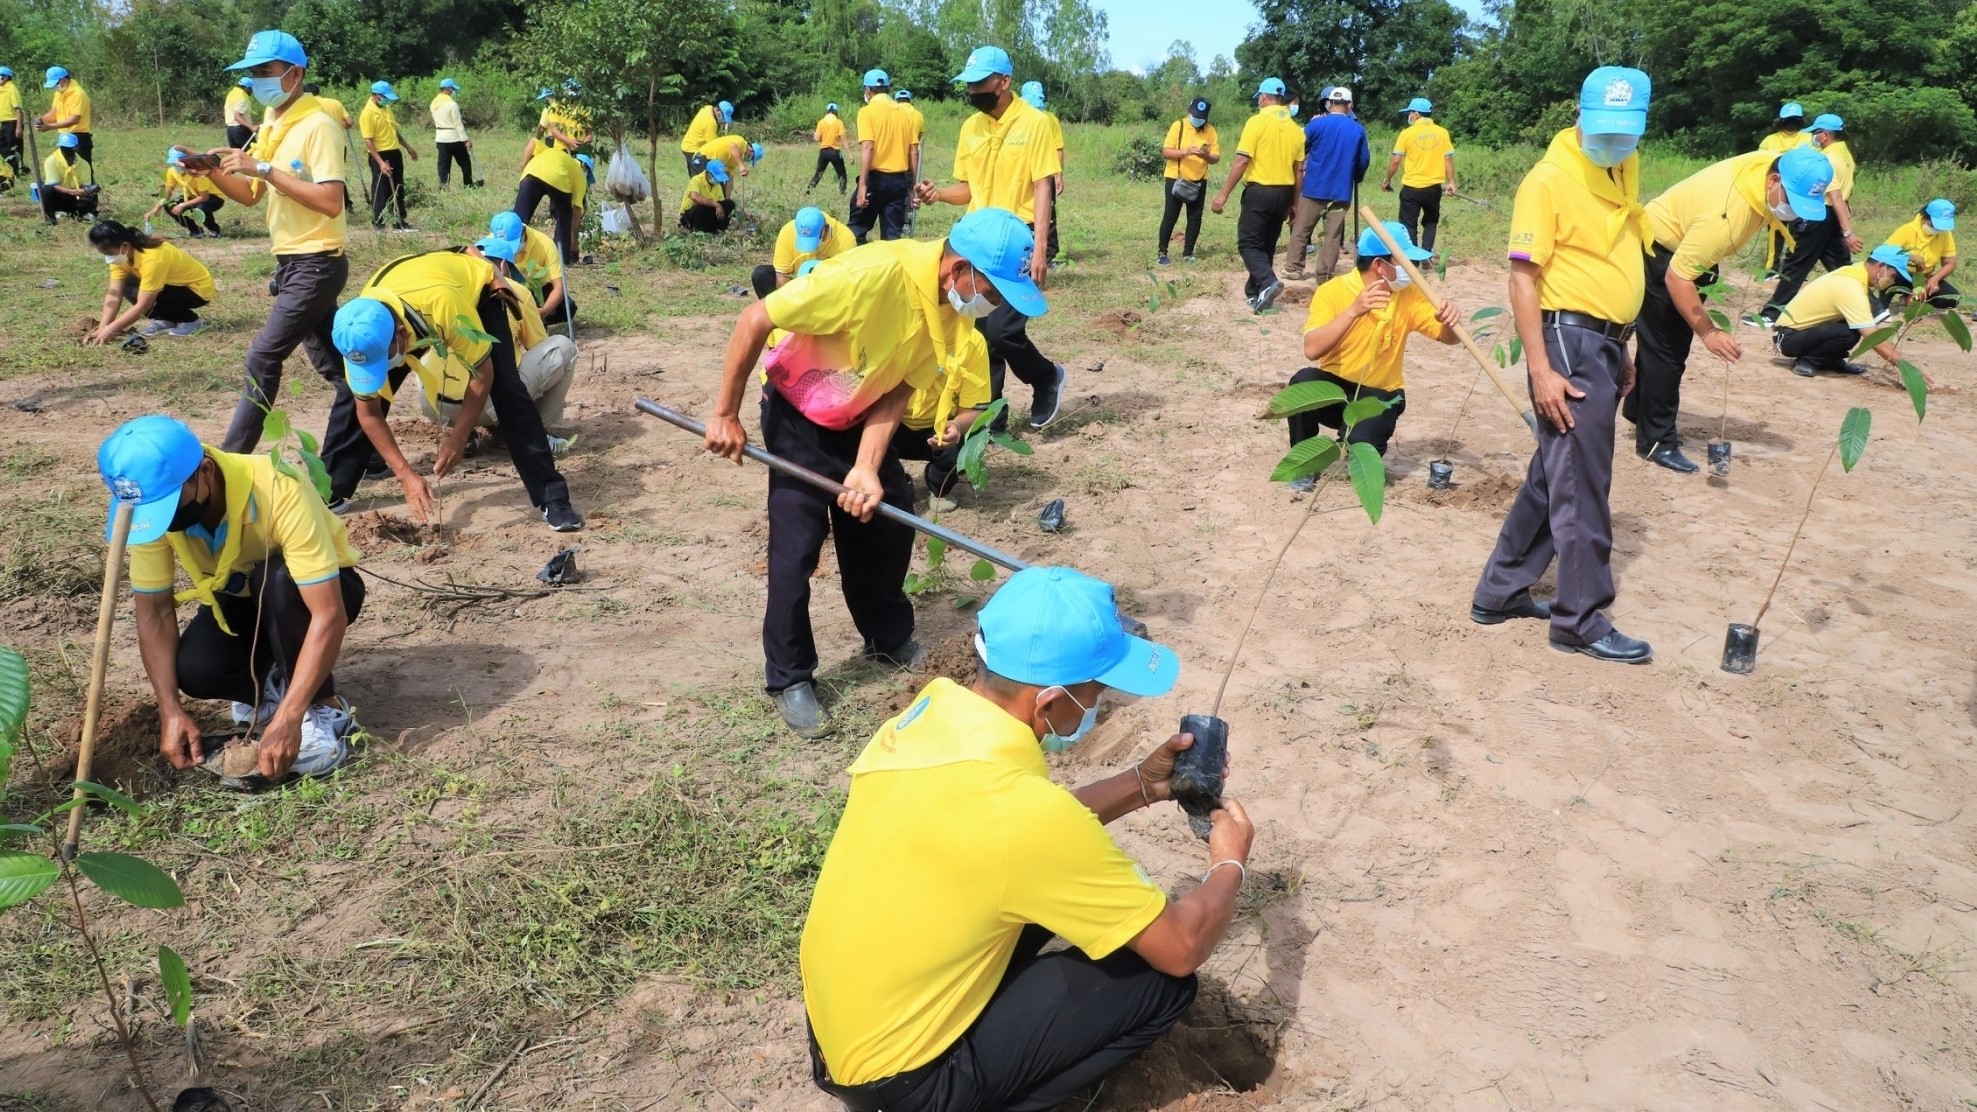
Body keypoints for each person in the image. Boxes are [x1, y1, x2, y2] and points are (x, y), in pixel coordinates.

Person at [801, 565, 1253, 1112]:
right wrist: (1229, 861)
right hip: (906, 1088)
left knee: (1038, 892)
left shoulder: (925, 720)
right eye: (1097, 690)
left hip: (842, 1032)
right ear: (1048, 703)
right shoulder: (1023, 815)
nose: (1101, 702)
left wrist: (1141, 784)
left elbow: (1012, 839)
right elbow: (1182, 948)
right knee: (1160, 986)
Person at [702, 206, 1045, 738]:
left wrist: (865, 467)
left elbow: (899, 388)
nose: (992, 304)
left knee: (886, 517)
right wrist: (725, 413)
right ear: (959, 268)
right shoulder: (868, 276)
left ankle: (887, 636)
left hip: (859, 413)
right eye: (993, 291)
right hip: (798, 411)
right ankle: (790, 676)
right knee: (797, 544)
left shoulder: (950, 311)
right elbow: (755, 320)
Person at [1474, 67, 1657, 665]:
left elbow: (1607, 262)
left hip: (1601, 342)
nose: (1613, 140)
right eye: (1602, 128)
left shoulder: (1619, 167)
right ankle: (1580, 618)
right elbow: (1523, 278)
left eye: (1625, 132)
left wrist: (1621, 342)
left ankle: (1501, 589)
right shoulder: (1548, 179)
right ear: (1578, 115)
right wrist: (1541, 368)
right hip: (1567, 344)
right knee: (1583, 483)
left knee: (1557, 473)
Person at [99, 414, 363, 782]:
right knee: (196, 669)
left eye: (170, 505)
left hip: (319, 592)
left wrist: (289, 719)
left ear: (205, 471)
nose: (165, 519)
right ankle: (274, 683)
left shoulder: (277, 486)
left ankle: (321, 709)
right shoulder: (152, 515)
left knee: (275, 577)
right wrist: (169, 709)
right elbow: (155, 613)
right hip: (240, 601)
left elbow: (328, 614)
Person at [326, 248, 584, 531]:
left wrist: (458, 438)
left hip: (476, 294)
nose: (381, 367)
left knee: (508, 390)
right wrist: (405, 474)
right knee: (356, 396)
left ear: (403, 335)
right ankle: (331, 489)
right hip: (406, 304)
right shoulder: (357, 331)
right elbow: (368, 412)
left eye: (382, 359)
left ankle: (553, 497)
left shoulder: (443, 305)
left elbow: (483, 375)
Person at [1629, 144, 1831, 471]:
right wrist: (1709, 332)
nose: (1795, 213)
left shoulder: (1767, 162)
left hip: (1691, 252)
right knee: (1667, 351)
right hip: (1662, 254)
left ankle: (1639, 409)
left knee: (1661, 344)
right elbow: (1677, 278)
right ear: (1774, 180)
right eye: (1793, 202)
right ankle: (1656, 442)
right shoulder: (1727, 219)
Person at [202, 30, 349, 455]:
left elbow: (331, 202)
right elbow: (250, 195)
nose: (256, 81)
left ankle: (231, 460)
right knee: (339, 372)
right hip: (291, 263)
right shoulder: (273, 122)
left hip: (317, 263)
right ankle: (367, 448)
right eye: (252, 74)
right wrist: (211, 171)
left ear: (294, 73)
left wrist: (263, 168)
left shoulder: (319, 125)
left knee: (263, 356)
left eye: (265, 71)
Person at [918, 46, 1068, 430]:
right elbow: (968, 189)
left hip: (1018, 239)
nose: (973, 92)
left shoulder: (1035, 124)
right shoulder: (971, 128)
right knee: (977, 329)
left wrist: (1039, 249)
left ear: (1004, 81)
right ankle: (989, 412)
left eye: (980, 83)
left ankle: (1045, 377)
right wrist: (938, 195)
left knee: (1002, 329)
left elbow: (1042, 188)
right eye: (968, 85)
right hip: (977, 240)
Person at [1284, 222, 1459, 483]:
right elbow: (1312, 349)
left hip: (1381, 395)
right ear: (1380, 265)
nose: (1412, 269)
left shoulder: (1409, 295)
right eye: (1406, 261)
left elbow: (1448, 339)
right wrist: (1354, 311)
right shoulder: (1333, 291)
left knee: (1359, 450)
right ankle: (1303, 465)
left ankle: (1356, 438)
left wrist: (1449, 322)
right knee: (1302, 382)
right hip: (1336, 391)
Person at [433, 235, 580, 447]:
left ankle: (466, 436)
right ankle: (533, 431)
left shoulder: (447, 288)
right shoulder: (514, 289)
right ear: (503, 266)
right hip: (488, 400)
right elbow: (538, 346)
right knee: (563, 348)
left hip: (437, 404)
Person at [1211, 77, 1302, 313]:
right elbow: (1298, 170)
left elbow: (1242, 160)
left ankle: (1268, 281)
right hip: (1284, 193)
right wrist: (1295, 203)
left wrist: (1223, 194)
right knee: (1267, 244)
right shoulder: (1296, 129)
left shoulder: (1256, 122)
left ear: (1263, 98)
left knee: (1249, 243)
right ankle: (1256, 293)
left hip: (1260, 191)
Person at [1760, 114, 1858, 325]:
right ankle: (1873, 308)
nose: (1813, 136)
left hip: (1818, 213)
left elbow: (1836, 196)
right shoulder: (1845, 155)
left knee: (1796, 265)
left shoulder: (1828, 160)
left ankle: (1772, 314)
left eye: (1816, 133)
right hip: (1832, 218)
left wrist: (1848, 231)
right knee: (1840, 266)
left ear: (1826, 135)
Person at [1773, 244, 1912, 376]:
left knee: (1852, 327)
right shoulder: (1851, 287)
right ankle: (1808, 361)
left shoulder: (1855, 272)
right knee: (1847, 333)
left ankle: (1831, 359)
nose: (1892, 281)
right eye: (1893, 276)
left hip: (1804, 332)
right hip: (1787, 338)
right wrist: (1908, 370)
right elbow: (1872, 337)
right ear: (1880, 267)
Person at [1285, 85, 1370, 282]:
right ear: (1349, 105)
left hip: (1314, 186)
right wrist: (1357, 176)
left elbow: (1301, 149)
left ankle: (1293, 268)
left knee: (1302, 228)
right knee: (1332, 234)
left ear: (1329, 103)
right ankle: (1324, 274)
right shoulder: (1358, 130)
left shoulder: (1316, 125)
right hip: (1341, 190)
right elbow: (1363, 160)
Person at [86, 220, 215, 343]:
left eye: (108, 252)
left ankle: (190, 320)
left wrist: (112, 330)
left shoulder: (152, 258)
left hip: (196, 291)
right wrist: (102, 327)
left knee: (148, 296)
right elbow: (114, 294)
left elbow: (143, 305)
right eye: (104, 253)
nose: (108, 257)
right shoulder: (122, 256)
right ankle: (168, 319)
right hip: (171, 286)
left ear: (125, 246)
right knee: (127, 283)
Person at [1382, 97, 1455, 255]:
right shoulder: (1442, 133)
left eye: (1410, 113)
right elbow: (1448, 158)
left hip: (1412, 188)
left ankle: (1413, 257)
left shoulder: (1407, 134)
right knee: (1431, 221)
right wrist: (1451, 182)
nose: (1409, 116)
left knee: (1408, 223)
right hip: (1433, 188)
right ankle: (1427, 252)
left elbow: (1396, 161)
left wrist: (1387, 180)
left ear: (1416, 114)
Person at [851, 69, 915, 243]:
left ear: (868, 91)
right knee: (892, 239)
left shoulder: (866, 112)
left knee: (856, 231)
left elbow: (868, 147)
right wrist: (911, 187)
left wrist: (863, 185)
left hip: (875, 180)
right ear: (887, 89)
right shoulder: (906, 115)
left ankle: (861, 267)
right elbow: (913, 151)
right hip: (898, 182)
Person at [1157, 96, 1220, 265]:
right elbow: (1166, 152)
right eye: (1195, 115)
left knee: (1195, 217)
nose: (1197, 119)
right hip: (1175, 178)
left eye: (1201, 117)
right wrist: (1185, 152)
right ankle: (1162, 252)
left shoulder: (1210, 131)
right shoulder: (1178, 126)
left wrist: (1205, 155)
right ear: (1189, 111)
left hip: (1199, 180)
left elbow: (1216, 158)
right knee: (1170, 216)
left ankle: (1188, 252)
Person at [488, 210, 574, 325]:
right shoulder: (487, 245)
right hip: (508, 289)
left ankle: (538, 322)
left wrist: (544, 311)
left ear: (523, 232)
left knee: (567, 308)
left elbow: (559, 286)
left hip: (537, 289)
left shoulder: (545, 244)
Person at [515, 129, 588, 262]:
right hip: (558, 177)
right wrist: (574, 246)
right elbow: (576, 213)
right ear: (584, 167)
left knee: (519, 218)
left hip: (531, 172)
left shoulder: (549, 150)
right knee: (564, 217)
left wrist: (523, 165)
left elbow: (533, 141)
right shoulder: (580, 176)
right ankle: (561, 258)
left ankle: (508, 253)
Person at [1756, 101, 1810, 276]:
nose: (1791, 123)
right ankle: (1771, 269)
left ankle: (1792, 269)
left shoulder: (1808, 138)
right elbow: (1760, 165)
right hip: (1776, 192)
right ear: (1781, 120)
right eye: (1788, 119)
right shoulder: (1769, 141)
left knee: (1798, 232)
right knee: (1776, 231)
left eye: (1795, 119)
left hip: (1799, 193)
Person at [753, 205, 855, 297]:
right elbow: (781, 275)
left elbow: (846, 282)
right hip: (799, 287)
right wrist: (790, 304)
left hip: (829, 289)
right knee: (761, 274)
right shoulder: (788, 231)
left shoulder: (845, 239)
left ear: (826, 228)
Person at [360, 80, 419, 231]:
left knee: (398, 188)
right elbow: (368, 140)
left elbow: (394, 130)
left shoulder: (385, 108)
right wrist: (380, 162)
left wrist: (407, 147)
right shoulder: (367, 113)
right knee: (381, 190)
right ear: (377, 95)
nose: (387, 100)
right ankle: (379, 224)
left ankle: (399, 222)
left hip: (394, 152)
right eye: (385, 97)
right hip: (380, 154)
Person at [1020, 81, 1066, 262]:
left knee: (1048, 211)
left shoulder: (1050, 119)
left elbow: (1058, 148)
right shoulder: (1018, 118)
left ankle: (1050, 253)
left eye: (1038, 100)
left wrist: (1059, 174)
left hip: (1044, 171)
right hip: (1023, 173)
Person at [1885, 199, 1959, 310]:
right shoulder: (1906, 230)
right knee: (1889, 275)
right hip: (1901, 275)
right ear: (1925, 217)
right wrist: (1908, 258)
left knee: (1952, 298)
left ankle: (1909, 299)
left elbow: (1950, 263)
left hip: (1923, 278)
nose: (1938, 229)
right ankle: (1882, 306)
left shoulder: (1945, 233)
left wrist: (1935, 279)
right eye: (1935, 224)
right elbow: (1884, 253)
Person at [145, 147, 226, 238]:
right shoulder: (172, 172)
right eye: (173, 163)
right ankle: (195, 230)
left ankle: (214, 230)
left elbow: (204, 197)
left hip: (213, 197)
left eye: (178, 163)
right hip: (192, 197)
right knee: (170, 205)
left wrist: (182, 205)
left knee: (200, 208)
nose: (176, 166)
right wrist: (155, 209)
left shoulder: (199, 172)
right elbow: (167, 193)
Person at [35, 65, 92, 176]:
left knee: (83, 172)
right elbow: (54, 113)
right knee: (67, 170)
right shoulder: (59, 94)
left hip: (78, 137)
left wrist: (50, 126)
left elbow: (74, 119)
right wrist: (40, 120)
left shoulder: (78, 94)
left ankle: (87, 193)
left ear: (64, 80)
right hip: (64, 137)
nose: (55, 88)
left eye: (56, 84)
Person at [38, 132, 97, 223]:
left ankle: (76, 214)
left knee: (92, 195)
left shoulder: (84, 165)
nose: (65, 150)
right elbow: (53, 185)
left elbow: (85, 187)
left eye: (69, 147)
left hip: (74, 199)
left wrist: (85, 191)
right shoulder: (51, 161)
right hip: (57, 197)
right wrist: (73, 192)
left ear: (76, 148)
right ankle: (50, 216)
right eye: (63, 147)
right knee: (47, 190)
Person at [430, 77, 477, 188]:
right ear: (447, 89)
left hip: (440, 138)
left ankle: (443, 186)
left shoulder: (434, 104)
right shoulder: (452, 104)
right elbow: (458, 124)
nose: (454, 92)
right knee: (465, 162)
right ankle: (468, 184)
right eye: (453, 89)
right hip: (454, 138)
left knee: (443, 165)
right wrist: (466, 140)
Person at [679, 155, 733, 233]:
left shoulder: (717, 185)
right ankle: (699, 230)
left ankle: (719, 228)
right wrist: (716, 205)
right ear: (708, 173)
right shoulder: (696, 180)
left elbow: (721, 202)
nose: (718, 180)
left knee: (729, 204)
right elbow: (695, 197)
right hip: (691, 215)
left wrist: (721, 209)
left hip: (707, 214)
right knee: (702, 207)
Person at [680, 98, 730, 174]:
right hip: (692, 149)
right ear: (719, 113)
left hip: (688, 145)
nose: (723, 120)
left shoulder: (708, 108)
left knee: (696, 176)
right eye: (724, 117)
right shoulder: (711, 123)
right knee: (704, 175)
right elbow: (713, 147)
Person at [808, 102, 847, 194]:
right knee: (842, 174)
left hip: (823, 152)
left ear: (827, 111)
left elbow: (817, 138)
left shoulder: (821, 122)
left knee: (818, 173)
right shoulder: (839, 122)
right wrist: (849, 153)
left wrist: (815, 136)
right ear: (836, 111)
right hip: (835, 152)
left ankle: (808, 191)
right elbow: (843, 139)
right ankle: (842, 193)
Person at [0, 67, 22, 181]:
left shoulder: (12, 89)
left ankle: (16, 172)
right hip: (3, 123)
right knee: (3, 148)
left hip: (12, 123)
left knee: (12, 148)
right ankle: (8, 170)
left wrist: (18, 127)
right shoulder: (1, 89)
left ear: (6, 77)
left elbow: (18, 109)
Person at [225, 76, 255, 149]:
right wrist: (251, 127)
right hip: (241, 131)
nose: (252, 92)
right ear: (247, 88)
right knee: (252, 155)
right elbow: (237, 117)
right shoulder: (243, 97)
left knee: (236, 156)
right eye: (251, 89)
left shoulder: (231, 94)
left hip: (230, 130)